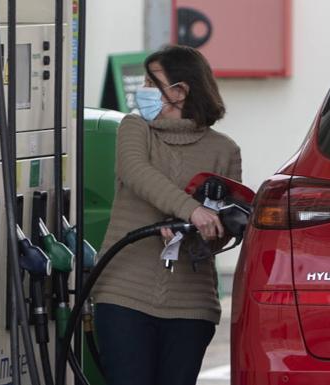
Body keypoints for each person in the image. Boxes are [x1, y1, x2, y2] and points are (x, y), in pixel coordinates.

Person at [92, 45, 242, 385]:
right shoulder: (136, 129)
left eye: (150, 82)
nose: (143, 90)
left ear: (179, 91)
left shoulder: (225, 150)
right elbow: (136, 172)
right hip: (124, 293)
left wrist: (205, 231)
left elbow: (225, 228)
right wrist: (191, 210)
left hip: (191, 303)